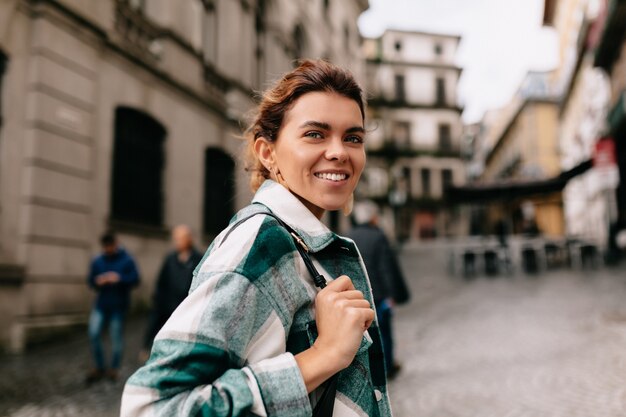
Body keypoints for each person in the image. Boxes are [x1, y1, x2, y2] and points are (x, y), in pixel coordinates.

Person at [121, 60, 392, 417]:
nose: (340, 152)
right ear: (268, 152)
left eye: (352, 137)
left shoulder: (305, 244)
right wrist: (321, 356)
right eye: (315, 134)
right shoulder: (262, 242)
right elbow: (152, 406)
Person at [348, 200, 409, 379]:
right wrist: (391, 295)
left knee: (364, 334)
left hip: (358, 295)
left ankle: (370, 369)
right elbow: (386, 268)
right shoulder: (378, 236)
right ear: (372, 218)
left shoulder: (349, 236)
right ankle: (387, 366)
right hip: (380, 295)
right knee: (385, 333)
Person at [140, 225, 202, 360]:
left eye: (180, 238)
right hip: (167, 305)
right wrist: (158, 300)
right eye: (176, 239)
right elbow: (161, 281)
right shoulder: (171, 259)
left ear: (189, 239)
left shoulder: (198, 259)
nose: (177, 242)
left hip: (186, 308)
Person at [86, 231, 140, 383]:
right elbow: (90, 281)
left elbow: (136, 279)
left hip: (118, 306)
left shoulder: (127, 260)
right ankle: (99, 366)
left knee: (116, 337)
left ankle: (114, 368)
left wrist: (119, 278)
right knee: (93, 333)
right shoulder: (98, 261)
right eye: (105, 247)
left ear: (115, 244)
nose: (107, 249)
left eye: (110, 246)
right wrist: (98, 281)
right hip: (101, 304)